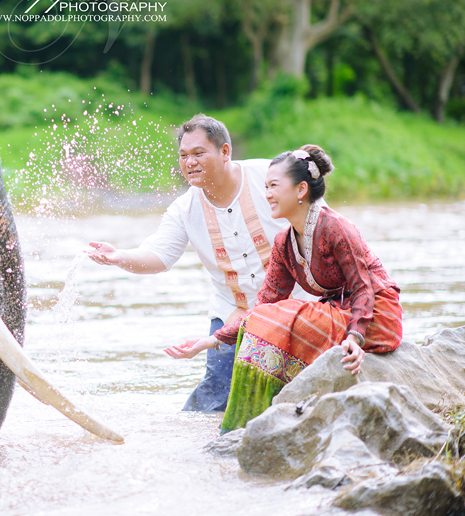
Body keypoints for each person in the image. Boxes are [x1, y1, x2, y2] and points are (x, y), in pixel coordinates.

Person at [164, 145, 403, 432]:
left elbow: (363, 288)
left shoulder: (336, 227)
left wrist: (354, 337)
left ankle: (256, 420)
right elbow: (263, 307)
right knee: (271, 317)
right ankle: (246, 425)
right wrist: (212, 341)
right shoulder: (284, 243)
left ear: (301, 190)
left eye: (274, 186)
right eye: (265, 187)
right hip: (340, 313)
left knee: (287, 314)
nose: (267, 195)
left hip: (376, 315)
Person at [87, 114, 313, 412]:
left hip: (298, 306)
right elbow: (158, 255)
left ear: (225, 152)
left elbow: (317, 221)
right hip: (232, 312)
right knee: (213, 401)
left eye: (198, 153)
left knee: (299, 395)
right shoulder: (185, 208)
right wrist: (120, 257)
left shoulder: (267, 177)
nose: (189, 162)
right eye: (183, 155)